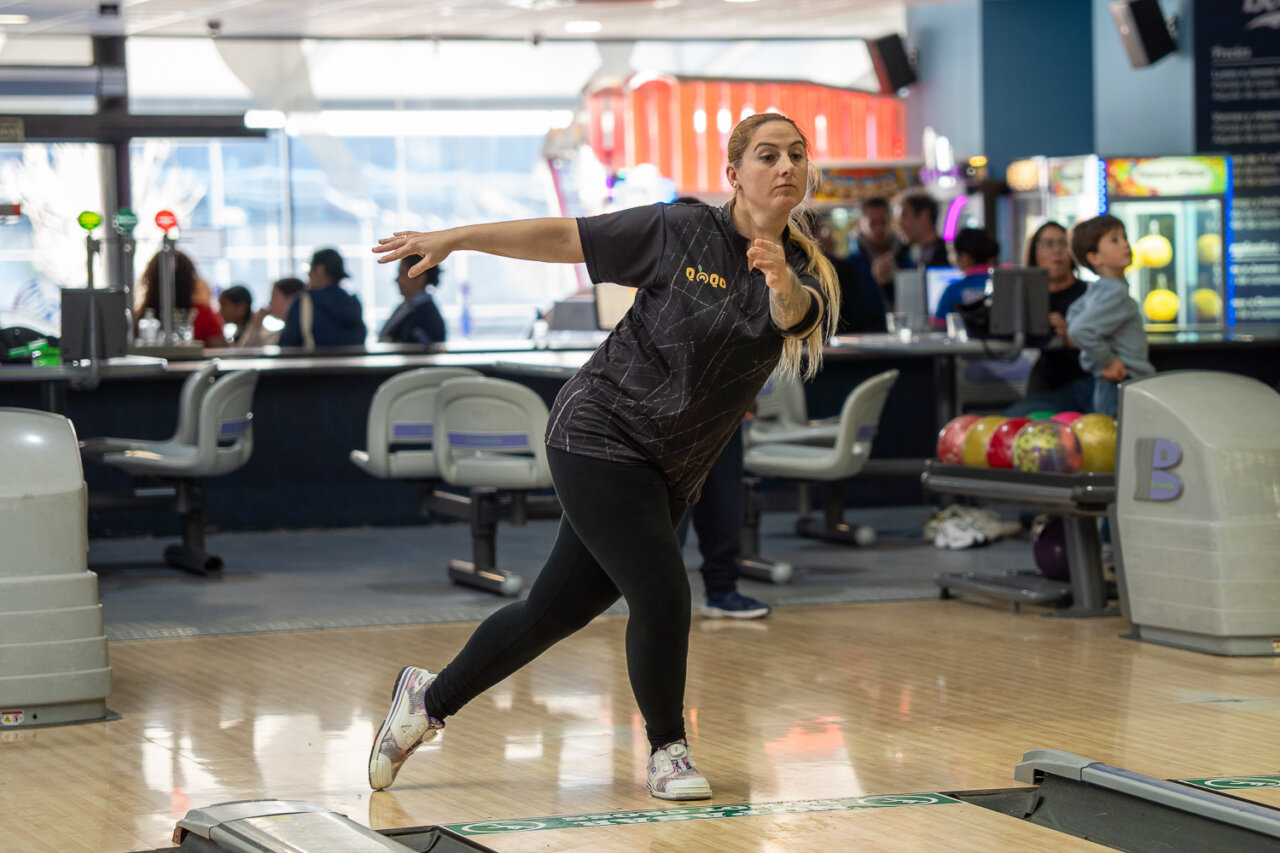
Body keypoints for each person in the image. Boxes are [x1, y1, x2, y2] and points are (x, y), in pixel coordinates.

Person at [366, 113, 838, 801]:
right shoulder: (680, 230)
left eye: (797, 154)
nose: (787, 166)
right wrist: (457, 237)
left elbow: (797, 315)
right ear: (734, 173)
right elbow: (568, 237)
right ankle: (669, 750)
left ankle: (426, 699)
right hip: (600, 428)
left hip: (672, 467)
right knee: (663, 589)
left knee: (553, 611)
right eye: (768, 155)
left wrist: (781, 282)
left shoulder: (805, 270)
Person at [1066, 214, 1155, 417]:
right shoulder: (1115, 291)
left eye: (1125, 237)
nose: (1125, 244)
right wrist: (1108, 361)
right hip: (1123, 380)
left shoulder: (1097, 289)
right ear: (1094, 258)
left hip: (1110, 384)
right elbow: (1079, 330)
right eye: (1114, 240)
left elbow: (1074, 313)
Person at [1004, 221, 1094, 417]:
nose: (1056, 251)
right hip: (1052, 390)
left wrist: (1073, 334)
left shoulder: (1091, 294)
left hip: (1091, 382)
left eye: (1063, 243)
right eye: (1047, 244)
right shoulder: (1026, 299)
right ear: (1034, 253)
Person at [135, 249, 227, 348]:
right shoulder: (203, 315)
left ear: (152, 281)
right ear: (190, 279)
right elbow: (220, 350)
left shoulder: (142, 319)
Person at [279, 248, 367, 348]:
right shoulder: (353, 303)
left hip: (315, 358)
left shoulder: (305, 301)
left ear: (320, 269)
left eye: (310, 268)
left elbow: (288, 343)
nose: (308, 274)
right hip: (353, 358)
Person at [846, 196, 900, 320]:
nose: (879, 228)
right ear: (861, 224)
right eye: (873, 224)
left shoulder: (903, 257)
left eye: (883, 222)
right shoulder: (850, 266)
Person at [932, 227, 998, 325]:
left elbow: (939, 326)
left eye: (953, 253)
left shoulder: (953, 291)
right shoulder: (1003, 286)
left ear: (964, 257)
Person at [379, 254, 447, 347]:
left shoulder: (428, 315)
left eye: (402, 274)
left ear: (420, 278)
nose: (397, 280)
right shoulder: (405, 307)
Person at [893, 190, 949, 271]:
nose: (899, 224)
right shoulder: (919, 256)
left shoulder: (943, 256)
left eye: (903, 216)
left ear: (924, 215)